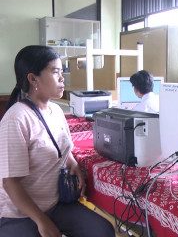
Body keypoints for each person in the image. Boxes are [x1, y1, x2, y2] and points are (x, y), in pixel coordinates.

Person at [0, 45, 115, 237]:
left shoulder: (56, 111)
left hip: (55, 204)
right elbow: (11, 184)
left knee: (102, 230)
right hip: (20, 213)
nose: (62, 79)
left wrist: (74, 163)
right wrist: (41, 221)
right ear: (33, 78)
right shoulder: (17, 119)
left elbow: (61, 147)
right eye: (55, 72)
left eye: (62, 72)